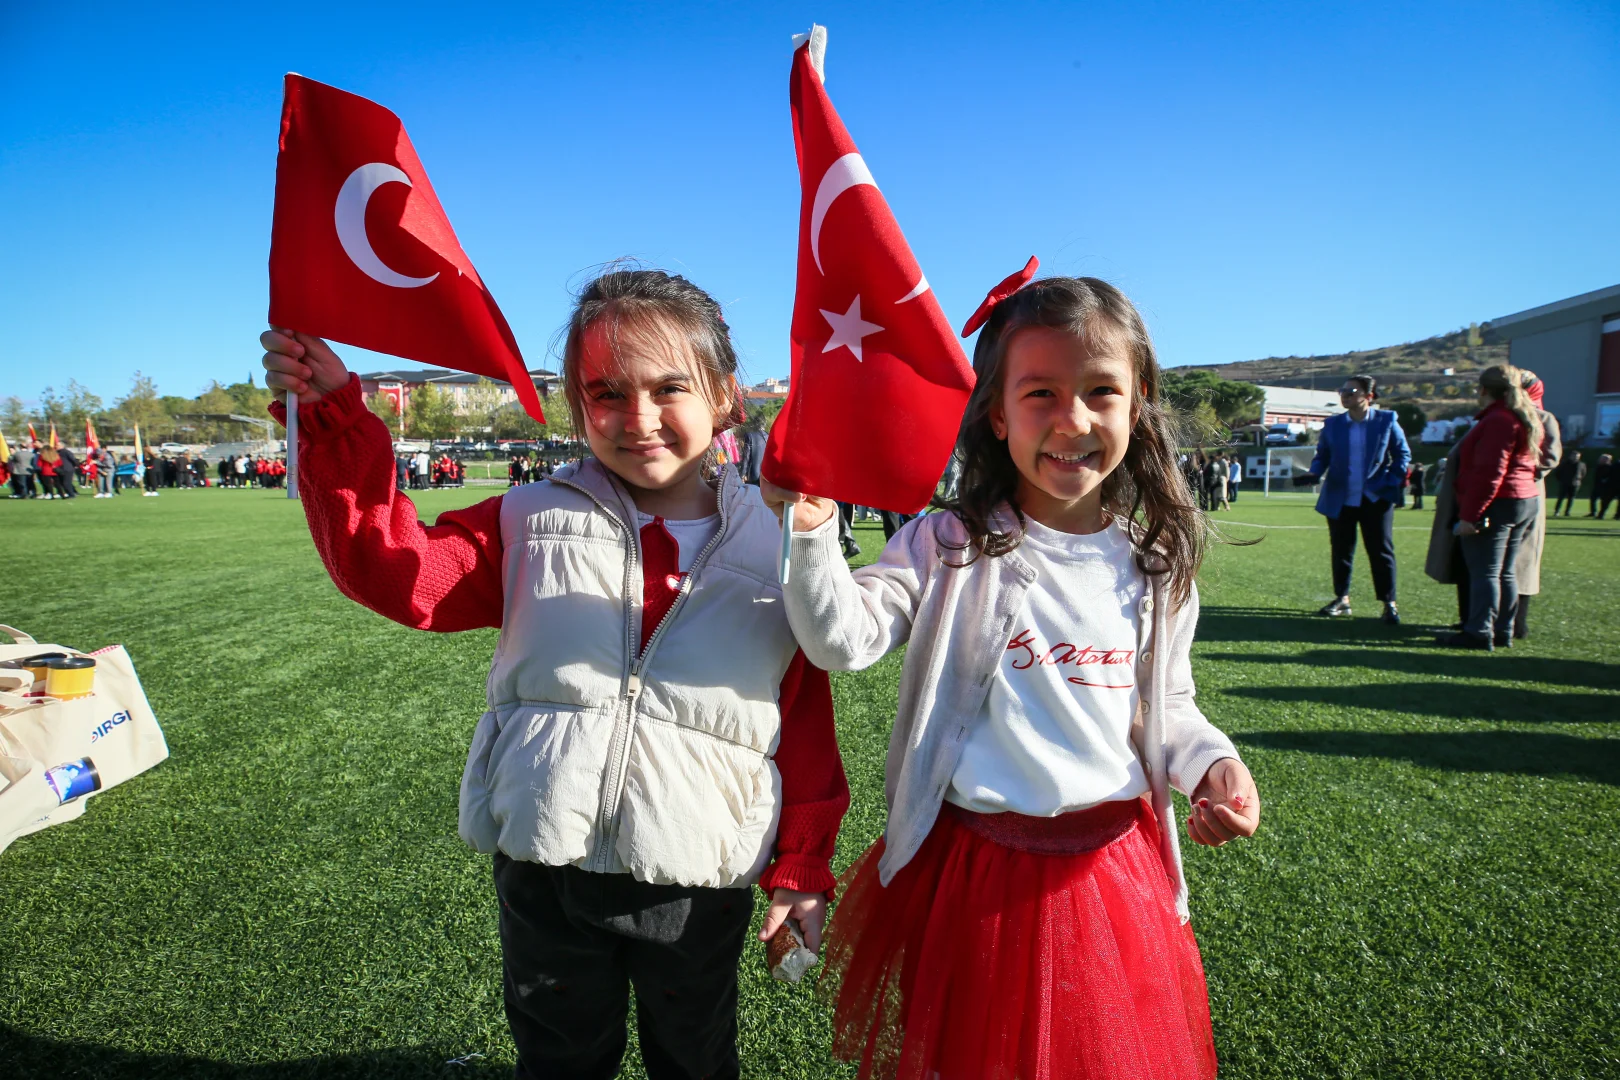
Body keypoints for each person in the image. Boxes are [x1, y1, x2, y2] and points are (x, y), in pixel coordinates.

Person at [260, 267, 849, 1080]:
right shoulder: (526, 516)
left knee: (697, 1058)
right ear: (575, 405)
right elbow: (397, 573)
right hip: (545, 860)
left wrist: (803, 866)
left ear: (725, 396)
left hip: (698, 869)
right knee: (559, 1057)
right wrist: (334, 418)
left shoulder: (778, 543)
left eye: (668, 386)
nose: (636, 418)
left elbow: (805, 720)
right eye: (604, 391)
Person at [766, 274, 1257, 1080]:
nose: (1074, 419)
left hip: (1108, 872)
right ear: (997, 414)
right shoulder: (946, 544)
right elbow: (840, 641)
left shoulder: (1155, 565)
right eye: (1041, 393)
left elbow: (1166, 706)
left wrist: (1213, 764)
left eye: (1102, 391)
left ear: (1137, 408)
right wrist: (814, 531)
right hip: (970, 874)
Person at [1435, 365, 1545, 651]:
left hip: (1501, 502)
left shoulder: (1498, 420)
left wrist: (1470, 516)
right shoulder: (1521, 415)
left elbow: (1490, 473)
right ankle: (1502, 631)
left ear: (1483, 390)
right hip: (1523, 500)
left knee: (1485, 571)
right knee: (1505, 572)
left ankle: (1479, 631)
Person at [1306, 376, 1411, 624]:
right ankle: (1342, 599)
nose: (1345, 396)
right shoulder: (1333, 425)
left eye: (1351, 392)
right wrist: (1314, 472)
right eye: (1342, 391)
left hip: (1375, 498)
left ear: (1369, 396)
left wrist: (1390, 482)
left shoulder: (1387, 421)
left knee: (1381, 551)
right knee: (1341, 551)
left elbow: (1402, 454)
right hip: (1340, 498)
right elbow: (1323, 456)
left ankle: (1389, 603)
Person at [1551, 452, 1584, 517]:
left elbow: (1583, 473)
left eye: (1577, 456)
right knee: (1561, 498)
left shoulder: (1581, 464)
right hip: (1565, 483)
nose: (1576, 458)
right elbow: (1558, 472)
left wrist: (1578, 479)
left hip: (1575, 484)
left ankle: (1567, 512)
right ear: (1570, 456)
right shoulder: (1564, 464)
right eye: (1574, 456)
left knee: (1571, 498)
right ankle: (1557, 511)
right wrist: (1561, 480)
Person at [1591, 454, 1617, 519]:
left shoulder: (1610, 467)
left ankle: (1601, 514)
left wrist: (1604, 481)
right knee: (1594, 498)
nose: (1600, 460)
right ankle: (1594, 512)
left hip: (1605, 487)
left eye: (1602, 459)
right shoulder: (1599, 466)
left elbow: (1609, 477)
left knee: (1604, 501)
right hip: (1597, 486)